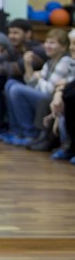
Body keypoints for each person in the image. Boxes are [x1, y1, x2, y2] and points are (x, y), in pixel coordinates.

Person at [0, 28, 74, 147]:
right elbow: (31, 84)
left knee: (16, 89)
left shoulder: (65, 61)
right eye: (46, 42)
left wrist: (39, 78)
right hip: (45, 96)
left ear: (63, 47)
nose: (47, 46)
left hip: (51, 99)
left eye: (52, 43)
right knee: (11, 84)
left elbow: (48, 89)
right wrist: (28, 66)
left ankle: (29, 132)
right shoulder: (50, 61)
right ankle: (16, 131)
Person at [0, 18, 46, 137]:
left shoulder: (37, 50)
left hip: (39, 90)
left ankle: (23, 131)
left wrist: (3, 67)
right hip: (24, 86)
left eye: (16, 33)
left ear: (28, 34)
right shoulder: (14, 50)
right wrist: (3, 66)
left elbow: (18, 69)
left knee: (10, 81)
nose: (11, 36)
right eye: (10, 33)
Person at [49, 29, 75, 163]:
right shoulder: (71, 63)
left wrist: (60, 91)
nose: (72, 47)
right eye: (71, 44)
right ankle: (69, 147)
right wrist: (59, 93)